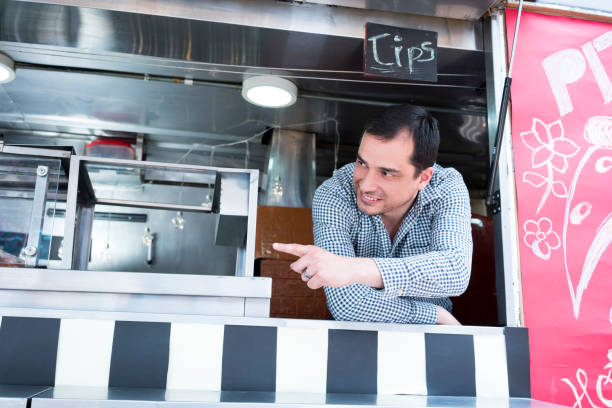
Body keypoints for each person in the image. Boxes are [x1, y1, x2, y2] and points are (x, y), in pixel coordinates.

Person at [273, 104, 472, 325]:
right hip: (358, 336)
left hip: (430, 340)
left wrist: (355, 269)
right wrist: (435, 315)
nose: (366, 185)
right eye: (362, 163)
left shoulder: (446, 186)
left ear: (423, 178)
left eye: (386, 173)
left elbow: (455, 271)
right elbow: (348, 305)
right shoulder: (335, 194)